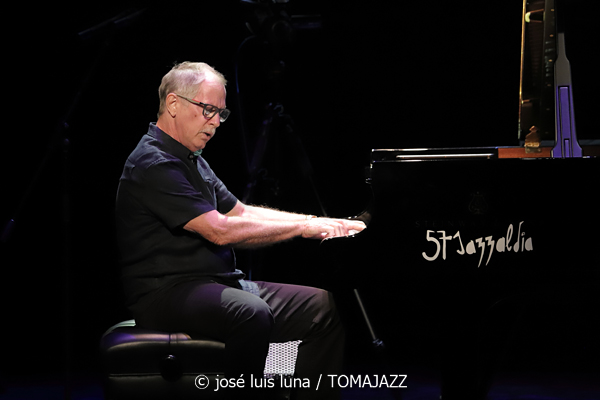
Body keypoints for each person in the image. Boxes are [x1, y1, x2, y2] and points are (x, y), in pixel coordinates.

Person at [115, 61, 366, 399]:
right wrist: (304, 227)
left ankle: (298, 395)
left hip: (215, 283)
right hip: (165, 293)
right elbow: (220, 230)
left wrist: (313, 221)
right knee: (250, 312)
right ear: (173, 104)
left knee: (319, 308)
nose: (216, 122)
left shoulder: (191, 158)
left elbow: (240, 211)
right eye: (208, 110)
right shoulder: (154, 163)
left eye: (221, 113)